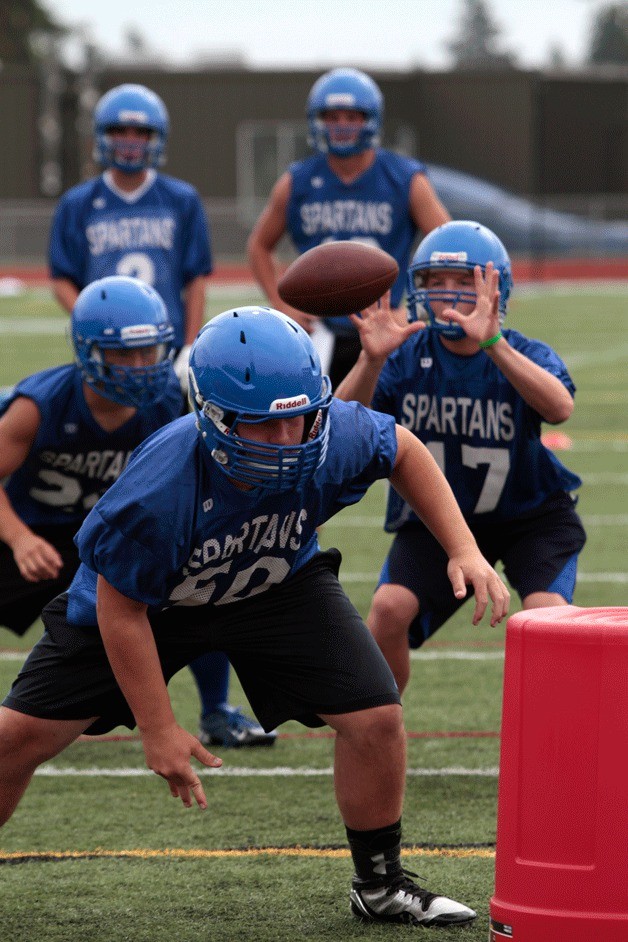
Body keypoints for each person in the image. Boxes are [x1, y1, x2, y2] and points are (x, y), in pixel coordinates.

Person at [0, 306, 510, 929]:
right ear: (211, 416)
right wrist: (158, 728)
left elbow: (402, 448)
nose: (288, 440)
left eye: (300, 418)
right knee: (14, 741)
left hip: (273, 583)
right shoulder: (159, 490)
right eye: (264, 427)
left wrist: (463, 547)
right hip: (156, 608)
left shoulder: (327, 434)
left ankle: (380, 884)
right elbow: (121, 608)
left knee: (377, 718)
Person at [47, 83, 269, 748]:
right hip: (105, 364)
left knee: (200, 535)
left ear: (157, 138)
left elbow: (197, 274)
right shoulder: (79, 203)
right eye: (120, 131)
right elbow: (62, 273)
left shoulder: (179, 200)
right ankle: (72, 695)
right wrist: (94, 325)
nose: (130, 142)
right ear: (103, 138)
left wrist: (188, 346)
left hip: (164, 361)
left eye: (141, 133)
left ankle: (214, 707)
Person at [335, 220, 586, 693]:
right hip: (437, 518)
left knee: (548, 615)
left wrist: (494, 345)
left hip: (530, 516)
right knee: (388, 611)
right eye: (434, 282)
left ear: (495, 289)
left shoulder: (522, 352)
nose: (447, 294)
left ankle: (564, 734)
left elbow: (559, 407)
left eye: (463, 281)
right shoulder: (404, 355)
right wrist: (370, 360)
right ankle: (383, 729)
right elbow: (343, 424)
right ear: (416, 288)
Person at [0, 275, 181, 640]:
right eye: (124, 353)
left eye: (150, 350)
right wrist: (20, 539)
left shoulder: (169, 401)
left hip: (111, 533)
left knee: (195, 595)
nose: (142, 365)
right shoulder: (40, 406)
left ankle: (215, 701)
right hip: (39, 528)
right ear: (87, 351)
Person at [246, 67, 450, 390]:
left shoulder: (406, 179)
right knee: (315, 427)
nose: (342, 126)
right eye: (332, 116)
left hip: (387, 326)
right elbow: (258, 245)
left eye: (352, 116)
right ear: (317, 121)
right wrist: (280, 302)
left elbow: (449, 246)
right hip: (322, 333)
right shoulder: (297, 182)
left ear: (371, 120)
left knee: (395, 430)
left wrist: (415, 309)